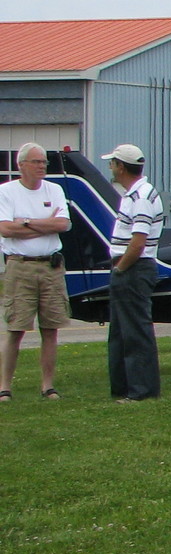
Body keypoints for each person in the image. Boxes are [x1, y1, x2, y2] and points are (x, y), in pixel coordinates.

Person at [0, 142, 72, 401]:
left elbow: (63, 224)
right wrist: (46, 224)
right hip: (20, 266)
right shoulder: (7, 192)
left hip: (50, 266)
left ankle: (47, 386)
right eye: (36, 162)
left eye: (43, 162)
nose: (42, 166)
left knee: (51, 328)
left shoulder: (54, 190)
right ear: (21, 165)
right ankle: (5, 387)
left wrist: (28, 222)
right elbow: (6, 229)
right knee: (16, 328)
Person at [103, 143, 165, 401]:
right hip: (130, 268)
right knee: (120, 332)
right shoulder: (135, 195)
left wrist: (121, 268)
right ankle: (124, 387)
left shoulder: (141, 197)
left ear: (121, 166)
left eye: (113, 163)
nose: (111, 168)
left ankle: (142, 391)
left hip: (133, 269)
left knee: (135, 332)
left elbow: (138, 242)